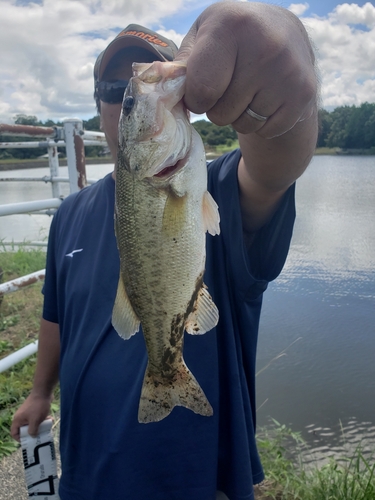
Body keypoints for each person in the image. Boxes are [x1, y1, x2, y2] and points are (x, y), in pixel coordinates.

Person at [11, 2, 318, 499]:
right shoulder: (69, 214)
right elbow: (56, 317)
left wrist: (288, 80)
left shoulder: (217, 187)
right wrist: (40, 392)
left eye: (150, 79)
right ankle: (164, 375)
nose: (127, 98)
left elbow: (276, 163)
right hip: (87, 471)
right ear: (100, 107)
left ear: (189, 95)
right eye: (120, 93)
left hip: (189, 476)